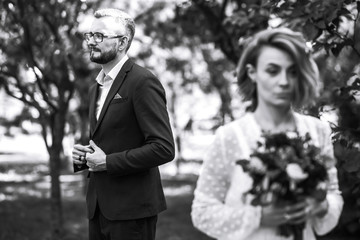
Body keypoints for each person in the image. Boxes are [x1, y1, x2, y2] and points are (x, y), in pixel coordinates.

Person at [191, 28, 344, 240]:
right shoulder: (229, 136)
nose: (284, 81)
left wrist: (321, 205)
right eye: (273, 71)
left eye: (292, 72)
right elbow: (202, 212)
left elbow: (333, 194)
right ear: (252, 72)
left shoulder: (317, 130)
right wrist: (258, 216)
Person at [72, 8, 175, 240]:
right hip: (98, 209)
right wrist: (84, 156)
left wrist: (108, 162)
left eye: (100, 36)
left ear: (122, 42)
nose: (91, 41)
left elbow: (163, 148)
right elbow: (109, 139)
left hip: (132, 213)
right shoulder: (95, 88)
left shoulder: (142, 82)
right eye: (90, 35)